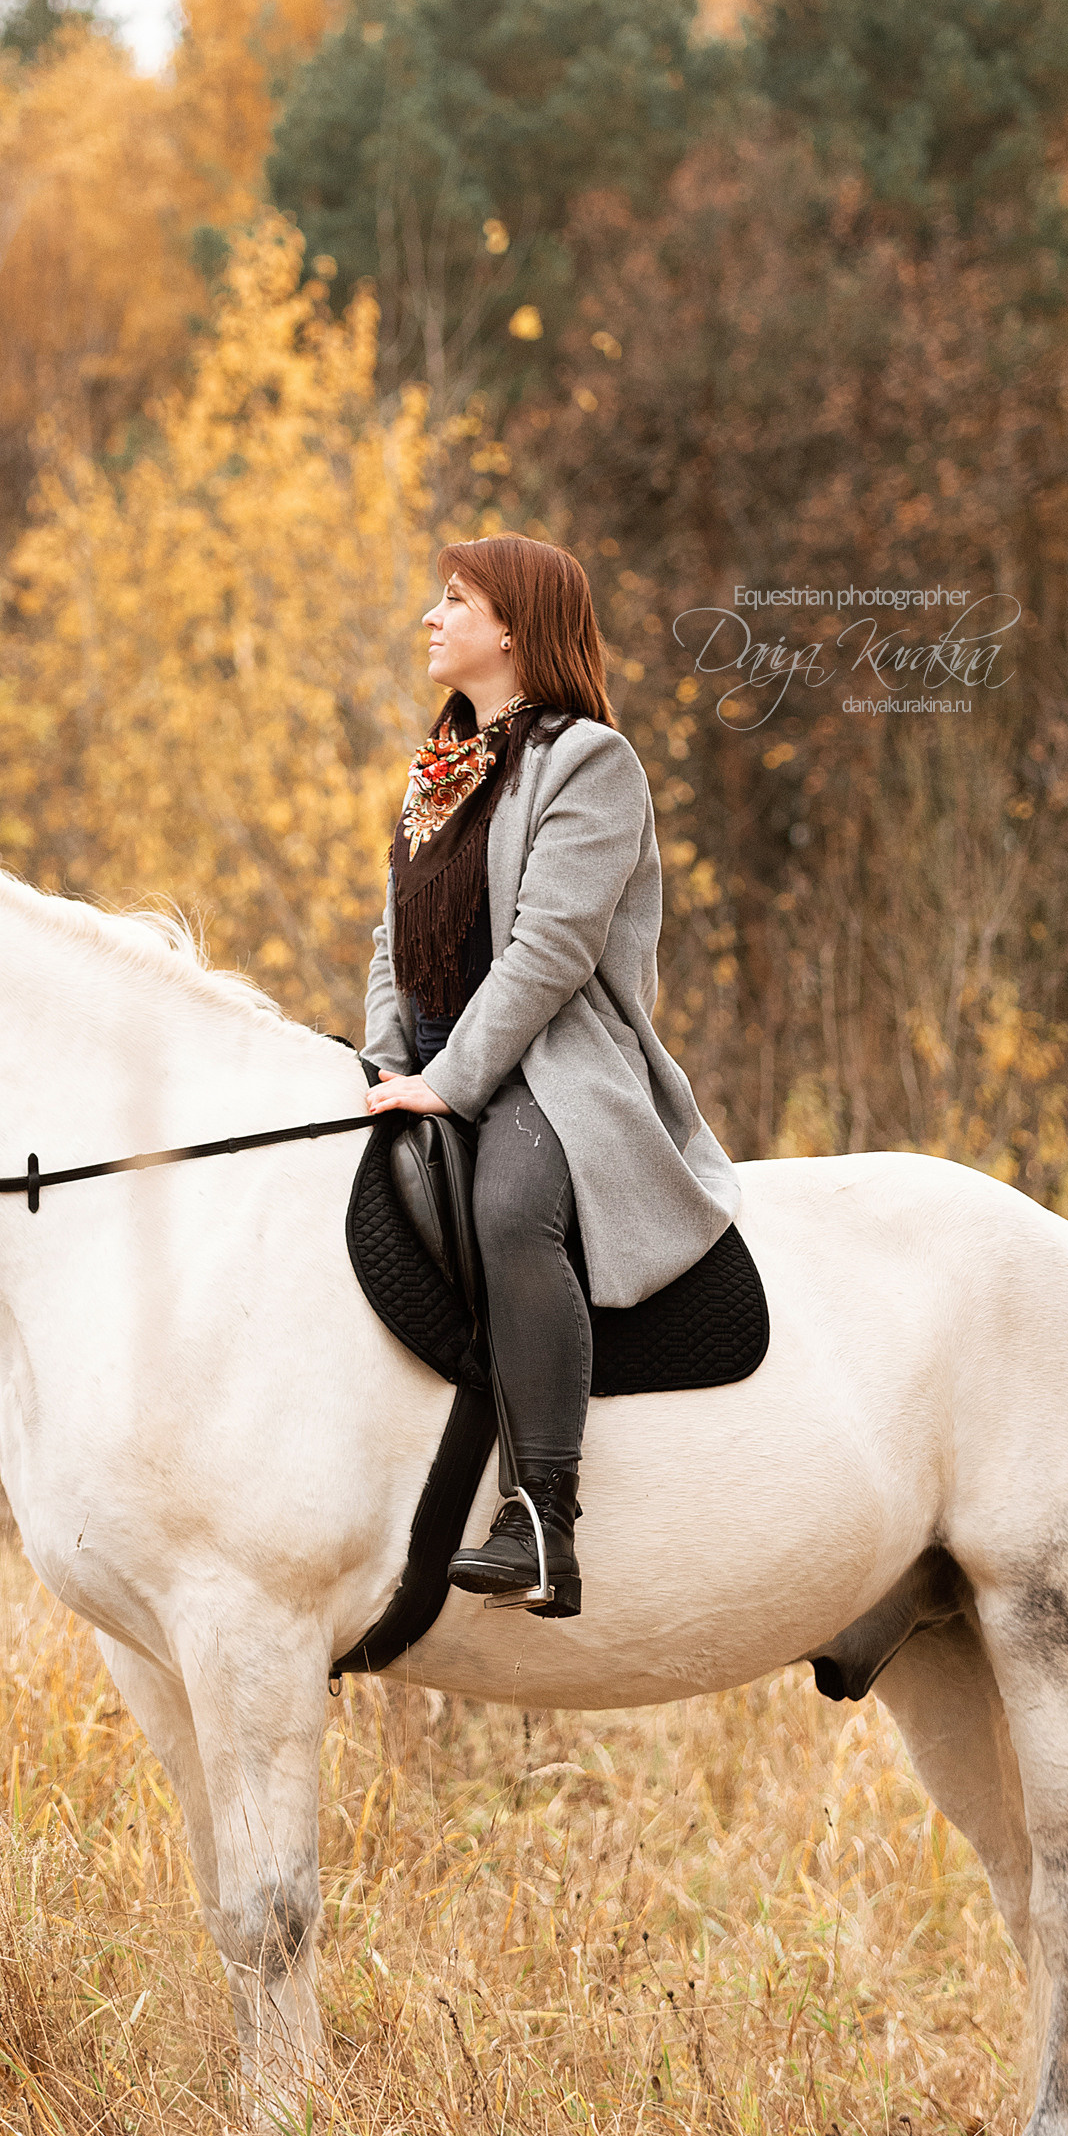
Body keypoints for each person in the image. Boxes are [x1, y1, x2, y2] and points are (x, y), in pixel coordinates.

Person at [363, 535, 742, 1620]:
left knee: (509, 1208)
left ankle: (541, 1521)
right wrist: (387, 1057)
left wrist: (452, 1080)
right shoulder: (439, 765)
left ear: (513, 629)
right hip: (434, 1054)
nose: (430, 620)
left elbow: (550, 949)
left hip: (555, 1062)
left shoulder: (589, 763)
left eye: (454, 602)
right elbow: (391, 931)